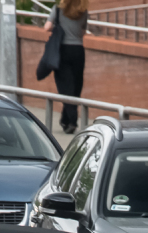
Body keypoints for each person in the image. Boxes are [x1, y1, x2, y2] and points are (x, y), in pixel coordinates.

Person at [42, 0, 89, 135]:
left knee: (65, 87)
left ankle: (72, 120)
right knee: (75, 86)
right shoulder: (83, 11)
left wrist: (59, 27)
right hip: (78, 51)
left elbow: (47, 27)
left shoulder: (57, 9)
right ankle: (65, 120)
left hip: (62, 50)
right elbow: (83, 32)